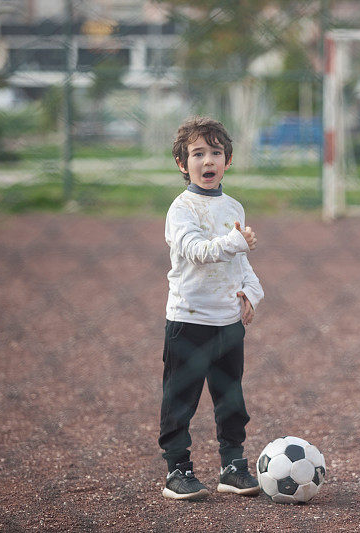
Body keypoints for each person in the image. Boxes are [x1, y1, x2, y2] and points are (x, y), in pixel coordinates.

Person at [158, 116, 264, 500]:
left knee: (231, 399)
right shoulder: (181, 209)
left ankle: (232, 466)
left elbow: (241, 264)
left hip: (227, 322)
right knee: (180, 399)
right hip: (188, 320)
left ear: (228, 161)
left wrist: (252, 294)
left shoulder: (233, 206)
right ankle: (177, 470)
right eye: (197, 153)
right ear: (182, 164)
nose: (207, 160)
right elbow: (198, 252)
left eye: (215, 152)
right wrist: (235, 241)